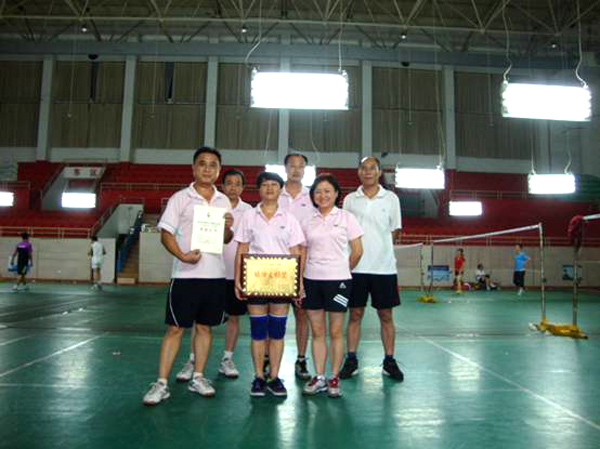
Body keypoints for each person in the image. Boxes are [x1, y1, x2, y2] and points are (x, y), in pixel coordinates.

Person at [143, 146, 234, 406]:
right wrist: (183, 256)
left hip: (215, 276)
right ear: (193, 168)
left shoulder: (223, 200)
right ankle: (161, 383)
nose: (207, 168)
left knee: (205, 328)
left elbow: (226, 239)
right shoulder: (180, 198)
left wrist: (227, 228)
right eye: (202, 163)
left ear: (218, 170)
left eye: (213, 165)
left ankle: (198, 377)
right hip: (185, 276)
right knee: (175, 328)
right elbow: (165, 233)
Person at [175, 169, 253, 382]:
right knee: (200, 320)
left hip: (235, 274)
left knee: (234, 318)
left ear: (243, 188)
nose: (233, 187)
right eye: (229, 183)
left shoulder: (249, 211)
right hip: (210, 272)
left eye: (238, 183)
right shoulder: (211, 206)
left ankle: (227, 359)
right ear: (223, 185)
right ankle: (192, 361)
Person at [234, 171, 305, 398]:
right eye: (265, 185)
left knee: (276, 332)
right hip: (255, 281)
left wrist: (298, 283)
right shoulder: (249, 216)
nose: (270, 188)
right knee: (257, 331)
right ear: (259, 189)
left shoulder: (289, 219)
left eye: (274, 184)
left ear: (280, 189)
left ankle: (274, 377)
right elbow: (242, 248)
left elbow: (295, 252)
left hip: (282, 283)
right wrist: (238, 279)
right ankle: (258, 377)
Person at [339, 156, 404, 381]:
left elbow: (395, 230)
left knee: (386, 315)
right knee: (355, 314)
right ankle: (351, 359)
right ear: (359, 172)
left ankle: (389, 361)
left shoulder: (391, 198)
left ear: (379, 172)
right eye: (363, 168)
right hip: (356, 268)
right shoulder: (350, 200)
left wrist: (379, 248)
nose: (367, 172)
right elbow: (344, 232)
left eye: (372, 168)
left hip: (384, 269)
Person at [301, 174, 363, 398]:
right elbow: (303, 251)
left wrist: (342, 271)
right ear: (312, 196)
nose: (323, 195)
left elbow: (357, 251)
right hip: (311, 280)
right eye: (318, 191)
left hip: (339, 282)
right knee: (317, 332)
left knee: (336, 332)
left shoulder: (346, 218)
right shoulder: (307, 221)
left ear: (336, 194)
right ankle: (319, 377)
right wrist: (300, 281)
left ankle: (334, 377)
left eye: (327, 191)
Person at [278, 153, 315, 381]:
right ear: (285, 168)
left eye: (301, 166)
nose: (296, 169)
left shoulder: (312, 196)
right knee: (275, 314)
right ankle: (269, 359)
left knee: (302, 314)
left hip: (304, 266)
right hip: (276, 267)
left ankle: (301, 359)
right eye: (292, 165)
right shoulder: (274, 192)